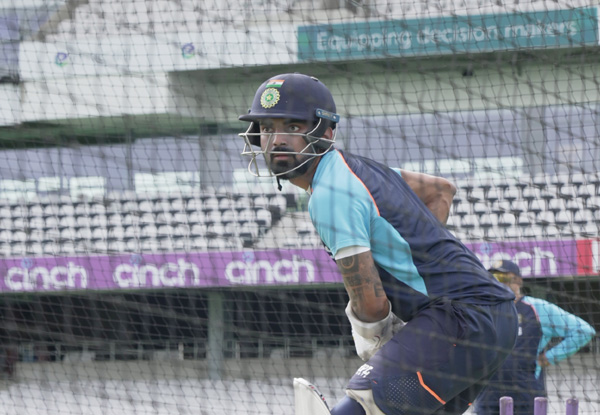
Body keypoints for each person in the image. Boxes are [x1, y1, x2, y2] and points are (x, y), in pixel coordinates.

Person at [239, 73, 519, 415]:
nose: (276, 140)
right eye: (267, 129)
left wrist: (374, 338)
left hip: (461, 319)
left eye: (292, 127)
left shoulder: (330, 194)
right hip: (492, 320)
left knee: (367, 402)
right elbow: (440, 190)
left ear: (325, 132)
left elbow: (371, 305)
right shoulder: (361, 170)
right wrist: (423, 258)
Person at [474, 260, 596, 415]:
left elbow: (584, 331)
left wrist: (549, 357)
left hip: (526, 393)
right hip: (487, 395)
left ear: (518, 280)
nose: (498, 282)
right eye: (494, 278)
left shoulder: (538, 308)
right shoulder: (482, 309)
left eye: (504, 277)